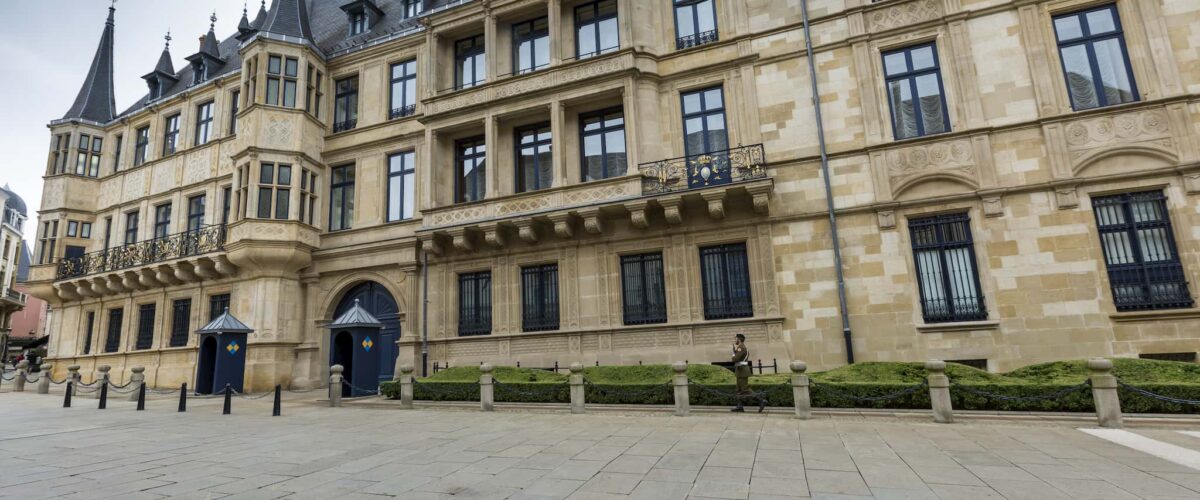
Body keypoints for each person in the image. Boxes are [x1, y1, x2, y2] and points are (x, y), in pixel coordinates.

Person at [730, 334, 765, 413]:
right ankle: (740, 406)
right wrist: (735, 351)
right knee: (738, 390)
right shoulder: (741, 347)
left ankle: (761, 401)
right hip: (740, 370)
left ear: (739, 339)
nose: (734, 340)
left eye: (735, 339)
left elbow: (735, 359)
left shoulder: (741, 348)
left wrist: (733, 353)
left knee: (745, 389)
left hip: (742, 370)